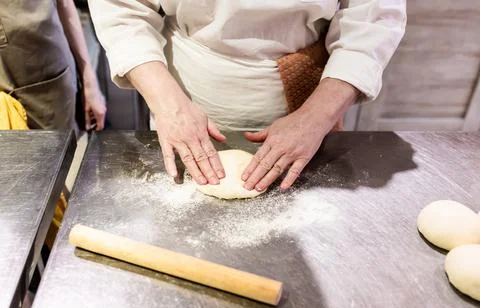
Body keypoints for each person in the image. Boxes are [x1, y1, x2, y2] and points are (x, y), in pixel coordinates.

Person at [88, 0, 406, 190]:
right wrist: (169, 105)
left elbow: (372, 17)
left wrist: (317, 117)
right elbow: (122, 10)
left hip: (309, 103)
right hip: (183, 97)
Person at [0, 0, 106, 131]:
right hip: (16, 81)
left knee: (61, 147)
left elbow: (65, 4)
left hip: (47, 81)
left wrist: (89, 78)